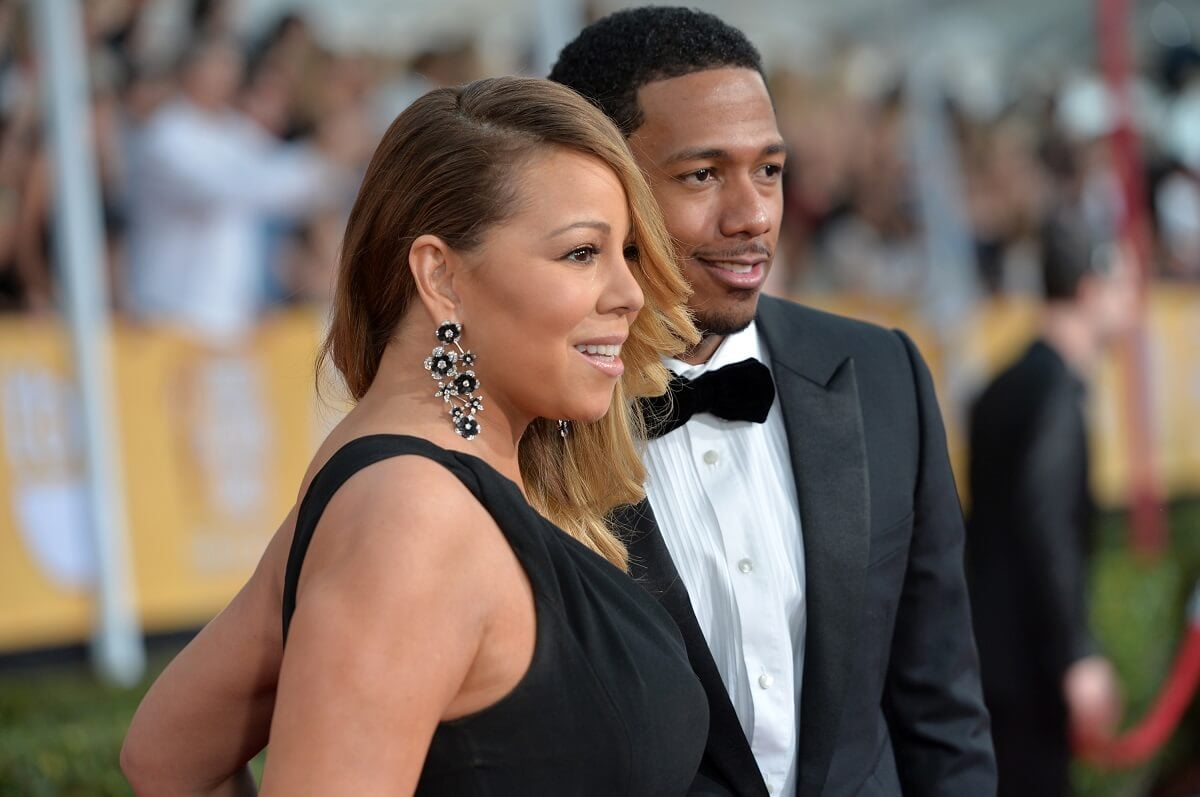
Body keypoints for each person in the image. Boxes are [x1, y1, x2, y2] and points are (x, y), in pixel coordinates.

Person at [121, 75, 713, 794]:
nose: (629, 293)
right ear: (441, 276)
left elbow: (166, 753)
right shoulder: (414, 516)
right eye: (582, 253)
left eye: (626, 253)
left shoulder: (399, 480)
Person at [547, 8, 995, 795]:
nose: (753, 215)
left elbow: (943, 714)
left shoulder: (882, 374)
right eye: (702, 174)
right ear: (596, 183)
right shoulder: (526, 422)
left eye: (769, 170)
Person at [966, 209, 1134, 797]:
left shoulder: (1004, 382)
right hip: (1029, 669)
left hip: (987, 657)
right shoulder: (1055, 395)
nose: (1132, 304)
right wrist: (1077, 654)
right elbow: (1047, 526)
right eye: (1124, 286)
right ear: (1092, 290)